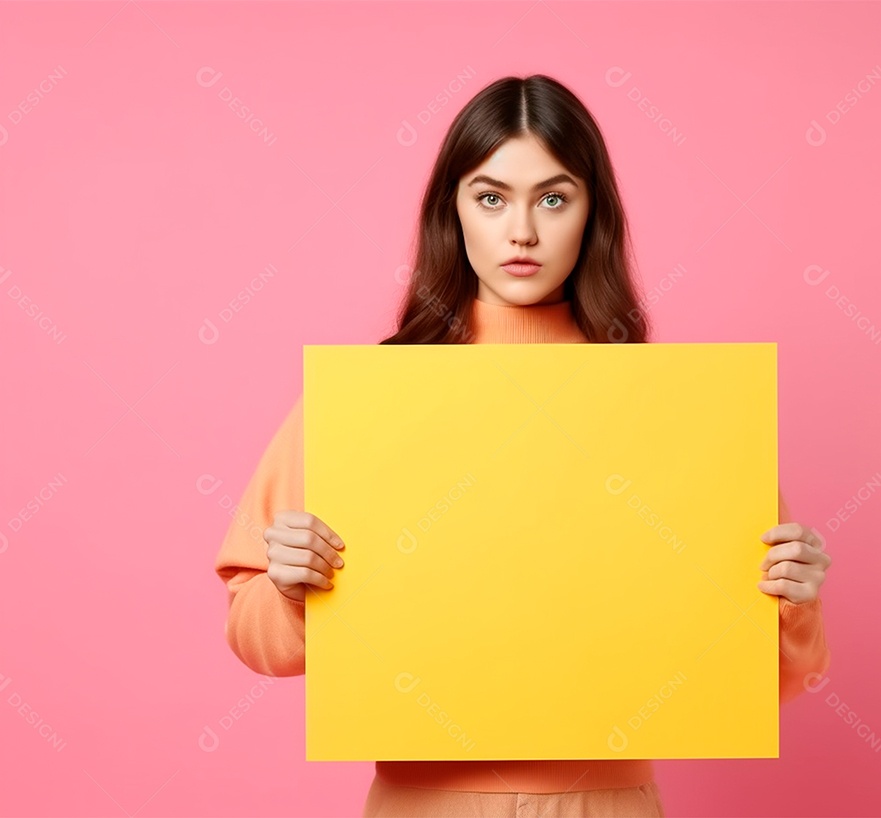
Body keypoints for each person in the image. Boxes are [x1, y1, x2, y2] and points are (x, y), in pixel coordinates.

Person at [213, 73, 832, 818]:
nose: (522, 233)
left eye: (553, 197)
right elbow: (254, 637)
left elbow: (771, 676)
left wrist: (795, 602)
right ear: (455, 211)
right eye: (491, 196)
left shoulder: (670, 403)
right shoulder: (369, 397)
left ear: (591, 211)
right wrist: (288, 590)